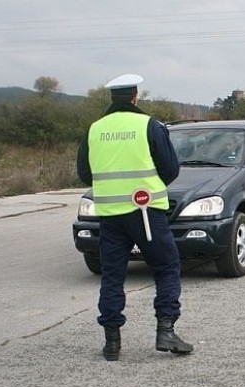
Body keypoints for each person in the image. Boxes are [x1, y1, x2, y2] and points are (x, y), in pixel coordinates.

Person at [76, 73, 193, 361]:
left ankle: (112, 343)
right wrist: (148, 186)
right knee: (166, 267)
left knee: (112, 276)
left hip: (109, 216)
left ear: (112, 98)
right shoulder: (149, 125)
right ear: (135, 97)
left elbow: (84, 174)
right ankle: (165, 331)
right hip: (146, 212)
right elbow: (170, 168)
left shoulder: (94, 130)